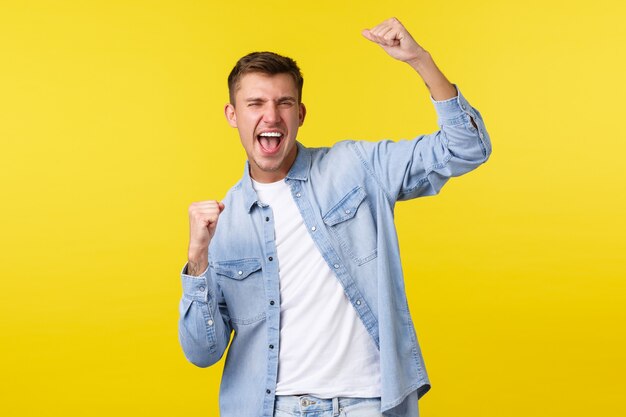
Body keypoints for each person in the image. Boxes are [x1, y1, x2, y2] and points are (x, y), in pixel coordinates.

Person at [178, 17, 491, 417]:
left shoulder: (356, 165)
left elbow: (466, 148)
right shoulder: (221, 224)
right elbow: (203, 352)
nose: (270, 116)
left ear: (301, 113)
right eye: (255, 103)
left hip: (370, 401)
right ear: (232, 115)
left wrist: (420, 60)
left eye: (284, 103)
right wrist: (197, 260)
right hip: (275, 407)